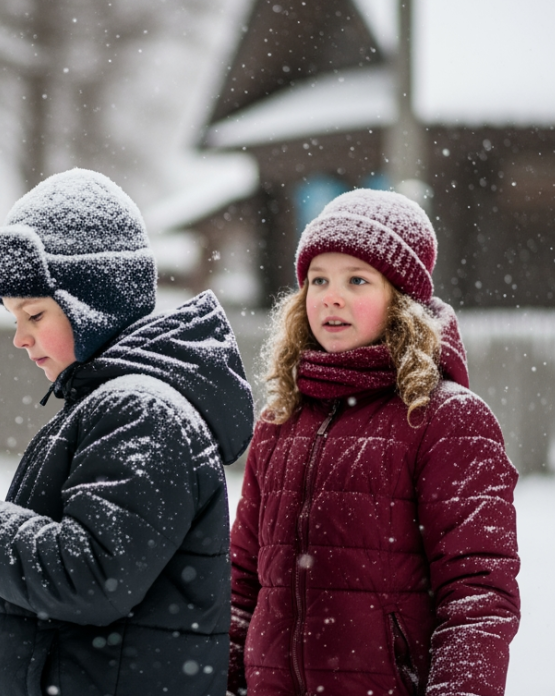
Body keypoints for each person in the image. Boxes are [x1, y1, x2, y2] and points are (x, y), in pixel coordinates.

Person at [0, 168, 256, 696]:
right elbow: (64, 564)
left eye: (34, 314)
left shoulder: (142, 414)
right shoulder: (112, 407)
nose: (19, 337)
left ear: (93, 301)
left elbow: (87, 575)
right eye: (15, 317)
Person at [227, 190, 521, 696]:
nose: (331, 297)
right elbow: (242, 588)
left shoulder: (447, 420)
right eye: (318, 280)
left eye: (356, 280)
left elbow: (477, 595)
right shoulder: (280, 422)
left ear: (401, 302)